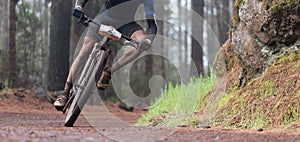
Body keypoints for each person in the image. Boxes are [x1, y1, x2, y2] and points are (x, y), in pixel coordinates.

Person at [54, 0, 158, 111]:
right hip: (105, 17)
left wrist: (147, 40)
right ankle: (65, 92)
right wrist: (79, 6)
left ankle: (108, 72)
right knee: (87, 48)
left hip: (127, 24)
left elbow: (152, 25)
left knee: (140, 41)